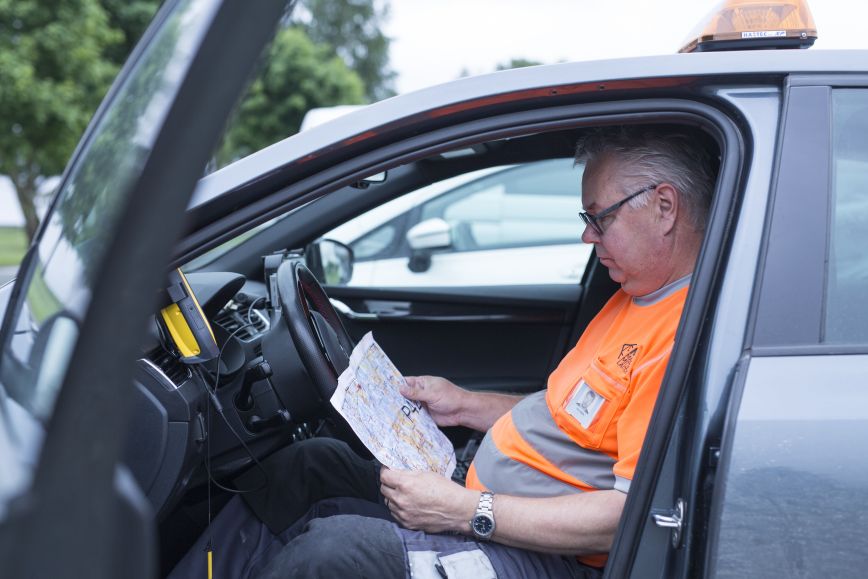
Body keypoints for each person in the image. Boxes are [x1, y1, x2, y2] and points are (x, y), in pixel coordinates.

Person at [168, 125, 716, 579]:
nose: (588, 238)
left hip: (552, 558)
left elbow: (626, 516)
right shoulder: (634, 299)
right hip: (483, 498)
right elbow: (571, 415)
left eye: (599, 217)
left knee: (332, 555)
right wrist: (465, 405)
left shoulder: (679, 333)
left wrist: (465, 512)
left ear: (664, 206)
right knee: (307, 467)